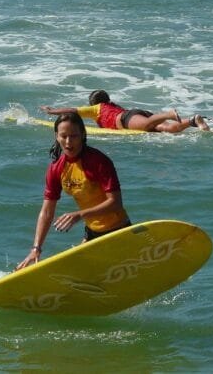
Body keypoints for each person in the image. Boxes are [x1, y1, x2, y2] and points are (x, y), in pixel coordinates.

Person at [16, 112, 131, 269]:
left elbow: (115, 203)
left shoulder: (98, 161)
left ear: (83, 135)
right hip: (92, 233)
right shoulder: (56, 168)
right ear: (56, 136)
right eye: (64, 136)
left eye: (74, 136)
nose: (69, 142)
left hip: (118, 231)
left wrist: (79, 215)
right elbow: (47, 211)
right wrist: (36, 248)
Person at [41, 89, 210, 133]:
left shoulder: (96, 108)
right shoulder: (112, 105)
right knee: (169, 129)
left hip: (128, 120)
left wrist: (52, 111)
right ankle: (194, 120)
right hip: (134, 114)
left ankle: (169, 113)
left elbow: (72, 110)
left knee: (145, 125)